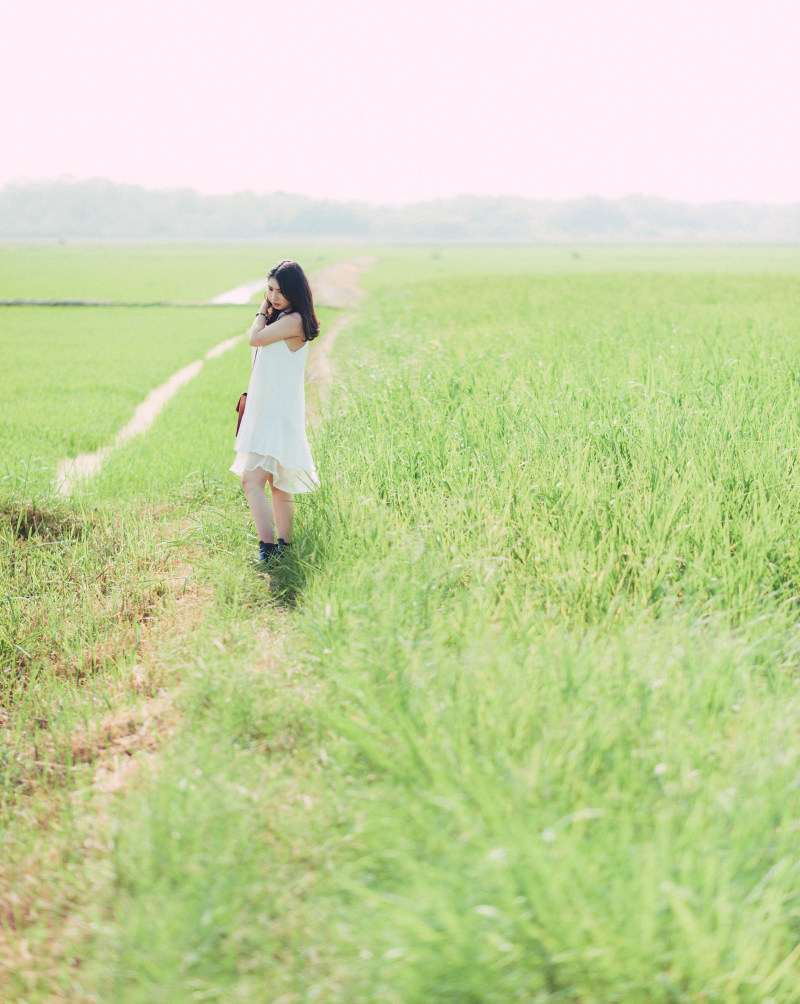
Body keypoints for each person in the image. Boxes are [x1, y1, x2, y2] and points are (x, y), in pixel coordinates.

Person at [231, 260, 320, 564]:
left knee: (250, 481)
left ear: (295, 292)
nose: (273, 296)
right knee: (278, 486)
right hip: (273, 410)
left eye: (280, 291)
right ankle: (283, 548)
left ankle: (267, 550)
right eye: (269, 289)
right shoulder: (285, 318)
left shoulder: (294, 320)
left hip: (275, 413)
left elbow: (255, 338)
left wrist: (259, 310)